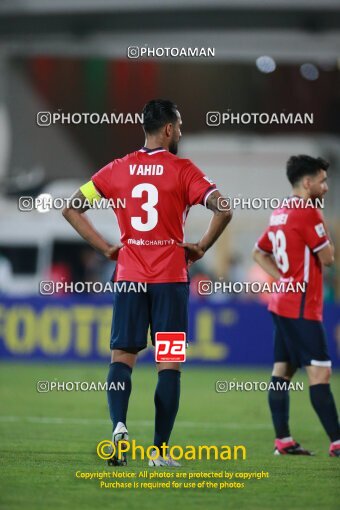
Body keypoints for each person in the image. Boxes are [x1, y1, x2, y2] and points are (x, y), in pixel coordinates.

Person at [62, 99, 232, 466]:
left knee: (122, 357)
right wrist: (201, 246)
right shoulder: (184, 170)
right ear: (169, 129)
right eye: (181, 125)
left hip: (129, 278)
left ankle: (119, 427)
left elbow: (71, 206)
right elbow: (224, 207)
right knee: (168, 365)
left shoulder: (117, 169)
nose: (182, 132)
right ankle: (158, 452)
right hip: (170, 279)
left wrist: (107, 247)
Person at [253, 155, 340, 457]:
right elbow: (328, 259)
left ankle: (283, 441)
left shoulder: (280, 212)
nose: (326, 187)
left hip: (282, 303)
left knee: (283, 371)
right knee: (320, 373)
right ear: (307, 182)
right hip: (301, 306)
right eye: (322, 180)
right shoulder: (309, 212)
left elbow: (258, 252)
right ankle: (337, 441)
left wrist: (283, 279)